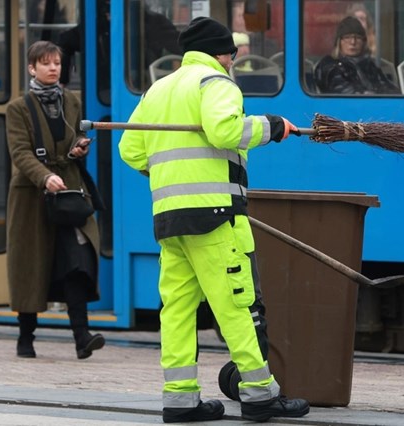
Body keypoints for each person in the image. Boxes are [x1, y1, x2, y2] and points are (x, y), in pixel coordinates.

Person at [118, 17, 310, 423]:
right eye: (232, 55)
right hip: (215, 215)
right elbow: (224, 131)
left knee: (177, 310)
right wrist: (272, 126)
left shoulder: (159, 89)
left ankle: (180, 399)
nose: (232, 62)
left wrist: (172, 174)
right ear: (224, 54)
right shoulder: (215, 83)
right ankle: (259, 394)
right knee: (236, 304)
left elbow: (130, 150)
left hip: (169, 219)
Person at [5, 40, 104, 360]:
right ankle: (26, 336)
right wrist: (44, 176)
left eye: (57, 63)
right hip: (32, 197)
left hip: (69, 192)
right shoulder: (18, 108)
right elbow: (20, 153)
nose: (53, 68)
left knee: (77, 261)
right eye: (45, 63)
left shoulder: (71, 101)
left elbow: (73, 136)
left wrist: (78, 148)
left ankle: (82, 337)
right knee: (32, 265)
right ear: (32, 68)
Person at [313, 16, 398, 94]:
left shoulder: (368, 65)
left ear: (364, 42)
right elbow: (348, 96)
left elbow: (390, 89)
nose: (353, 42)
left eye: (357, 38)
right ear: (339, 42)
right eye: (347, 37)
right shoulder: (330, 65)